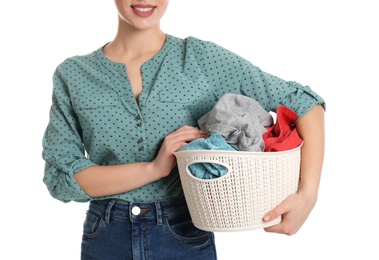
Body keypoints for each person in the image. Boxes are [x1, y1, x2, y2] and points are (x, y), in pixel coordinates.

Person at [42, 1, 325, 259]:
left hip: (183, 231)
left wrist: (307, 196)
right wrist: (154, 169)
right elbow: (62, 179)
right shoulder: (73, 74)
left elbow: (304, 104)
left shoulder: (200, 58)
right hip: (105, 236)